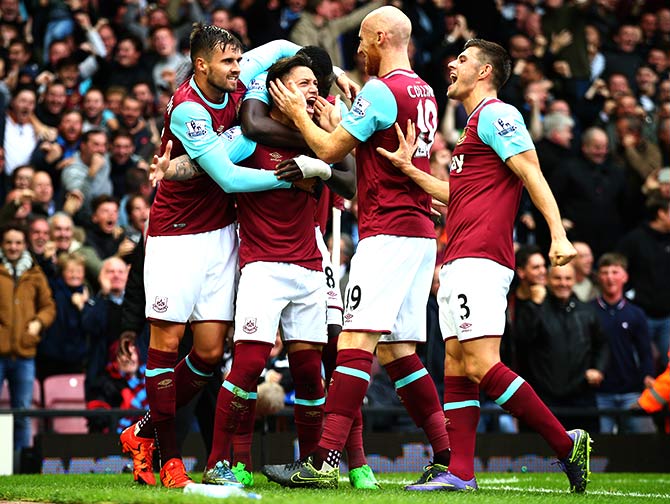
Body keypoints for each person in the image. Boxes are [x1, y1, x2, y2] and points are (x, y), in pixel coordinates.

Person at [375, 38, 592, 493]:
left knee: (480, 363)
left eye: (463, 59)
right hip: (458, 257)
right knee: (456, 364)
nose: (451, 64)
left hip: (482, 259)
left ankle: (564, 443)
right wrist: (411, 172)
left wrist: (558, 234)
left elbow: (532, 172)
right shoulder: (473, 126)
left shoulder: (498, 114)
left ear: (486, 72)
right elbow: (461, 196)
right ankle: (461, 473)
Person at [262, 6, 451, 490]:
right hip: (418, 233)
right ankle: (446, 453)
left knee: (353, 342)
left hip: (386, 233)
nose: (360, 50)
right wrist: (333, 120)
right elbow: (367, 147)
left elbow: (328, 152)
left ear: (383, 37)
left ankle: (322, 460)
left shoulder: (381, 90)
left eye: (364, 40)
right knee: (399, 350)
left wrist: (301, 115)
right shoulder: (423, 90)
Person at [119, 24, 306, 490]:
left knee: (207, 355)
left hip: (222, 234)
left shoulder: (238, 79)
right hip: (176, 236)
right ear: (201, 65)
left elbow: (284, 46)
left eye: (240, 61)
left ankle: (141, 432)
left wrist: (337, 73)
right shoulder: (188, 109)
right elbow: (230, 179)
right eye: (228, 63)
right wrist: (293, 175)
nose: (238, 70)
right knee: (165, 345)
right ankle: (169, 459)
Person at [515, 262, 608, 434]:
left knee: (589, 455)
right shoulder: (535, 308)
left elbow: (602, 344)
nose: (563, 283)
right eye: (557, 278)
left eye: (568, 278)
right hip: (544, 398)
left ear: (574, 281)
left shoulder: (587, 311)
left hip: (581, 398)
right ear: (548, 280)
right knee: (541, 455)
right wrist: (535, 305)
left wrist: (598, 368)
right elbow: (521, 340)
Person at [0, 222, 56, 455]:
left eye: (18, 243)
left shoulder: (35, 273)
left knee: (22, 413)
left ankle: (21, 465)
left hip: (25, 354)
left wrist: (39, 322)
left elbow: (49, 306)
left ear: (24, 245)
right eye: (9, 242)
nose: (14, 247)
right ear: (3, 245)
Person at [592, 252, 656, 434]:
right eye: (604, 272)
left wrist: (647, 375)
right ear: (598, 277)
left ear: (625, 276)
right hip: (600, 392)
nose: (610, 277)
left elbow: (645, 351)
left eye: (615, 271)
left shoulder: (636, 313)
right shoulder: (588, 311)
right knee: (597, 449)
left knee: (645, 442)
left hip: (631, 391)